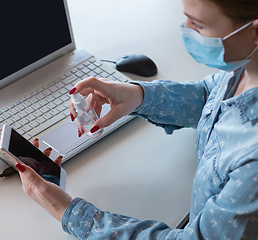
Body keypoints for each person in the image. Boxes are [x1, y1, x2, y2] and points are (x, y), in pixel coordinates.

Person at [15, 0, 258, 239]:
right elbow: (209, 95)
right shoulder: (244, 67)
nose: (185, 29)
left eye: (198, 24)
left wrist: (66, 211)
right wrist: (138, 95)